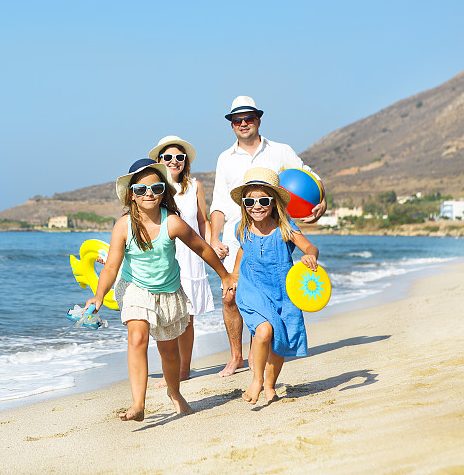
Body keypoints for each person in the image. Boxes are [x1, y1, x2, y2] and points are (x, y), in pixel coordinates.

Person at [83, 158, 235, 422]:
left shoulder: (172, 222)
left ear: (164, 190)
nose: (148, 194)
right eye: (141, 190)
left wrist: (224, 275)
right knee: (137, 338)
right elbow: (110, 268)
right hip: (134, 288)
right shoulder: (124, 226)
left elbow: (201, 248)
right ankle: (138, 404)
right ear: (132, 195)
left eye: (155, 188)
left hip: (168, 292)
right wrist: (98, 295)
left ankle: (175, 394)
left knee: (168, 352)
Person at [209, 95, 326, 377]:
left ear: (258, 120)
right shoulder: (225, 159)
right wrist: (214, 238)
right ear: (232, 125)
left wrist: (323, 201)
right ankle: (236, 355)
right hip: (238, 234)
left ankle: (257, 349)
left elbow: (310, 177)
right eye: (238, 120)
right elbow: (219, 203)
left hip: (274, 233)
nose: (244, 123)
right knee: (229, 297)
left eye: (249, 118)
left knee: (267, 292)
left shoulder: (281, 151)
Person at [229, 167, 319, 405]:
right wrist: (234, 276)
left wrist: (310, 256)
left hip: (284, 292)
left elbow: (310, 247)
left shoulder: (285, 227)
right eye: (250, 201)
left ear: (274, 202)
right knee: (264, 331)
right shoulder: (241, 227)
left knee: (279, 340)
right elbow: (242, 250)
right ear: (244, 204)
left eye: (263, 201)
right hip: (253, 289)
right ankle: (257, 381)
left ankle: (270, 385)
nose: (256, 206)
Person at [146, 136, 212, 388]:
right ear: (159, 161)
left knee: (188, 317)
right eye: (168, 157)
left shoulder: (194, 186)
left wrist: (210, 246)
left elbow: (202, 220)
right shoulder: (155, 188)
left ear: (186, 162)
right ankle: (169, 369)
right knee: (166, 316)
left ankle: (184, 369)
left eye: (179, 157)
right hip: (165, 257)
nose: (174, 161)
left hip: (192, 257)